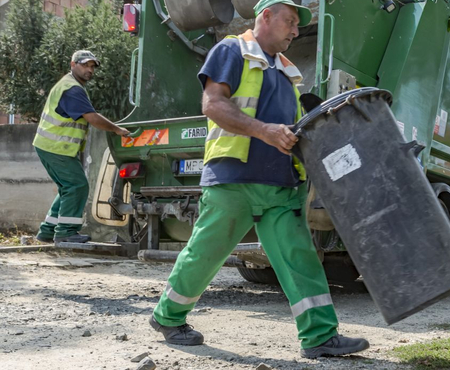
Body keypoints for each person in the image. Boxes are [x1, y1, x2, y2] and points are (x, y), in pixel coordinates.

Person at [148, 0, 369, 359]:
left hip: (281, 184)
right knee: (205, 254)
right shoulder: (232, 50)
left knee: (300, 258)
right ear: (265, 16)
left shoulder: (288, 72)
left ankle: (320, 337)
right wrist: (264, 131)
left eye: (298, 25)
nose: (296, 31)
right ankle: (167, 317)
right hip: (234, 177)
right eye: (291, 21)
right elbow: (213, 105)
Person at [33, 50, 130, 244]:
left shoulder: (69, 86)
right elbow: (92, 117)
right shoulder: (72, 89)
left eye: (92, 66)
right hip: (56, 147)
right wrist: (117, 129)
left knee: (67, 188)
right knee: (77, 186)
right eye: (85, 65)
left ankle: (48, 231)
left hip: (51, 146)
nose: (89, 70)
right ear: (72, 64)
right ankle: (66, 232)